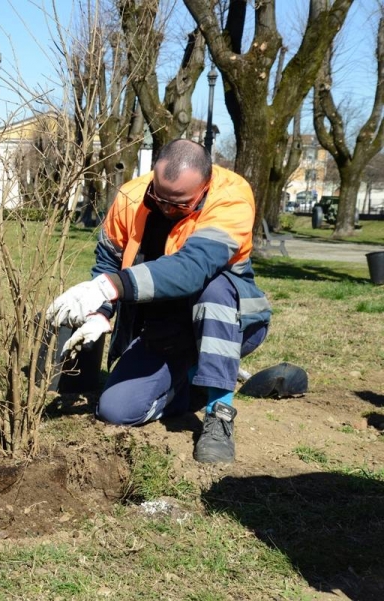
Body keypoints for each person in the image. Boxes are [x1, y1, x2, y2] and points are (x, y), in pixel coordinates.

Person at [48, 139, 271, 463]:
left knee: (215, 291)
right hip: (161, 330)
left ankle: (218, 413)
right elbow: (108, 262)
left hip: (226, 322)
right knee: (115, 409)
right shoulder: (130, 196)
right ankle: (196, 379)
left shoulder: (232, 197)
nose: (166, 209)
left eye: (178, 205)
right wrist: (101, 311)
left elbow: (192, 269)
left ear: (205, 186)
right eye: (159, 198)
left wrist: (112, 286)